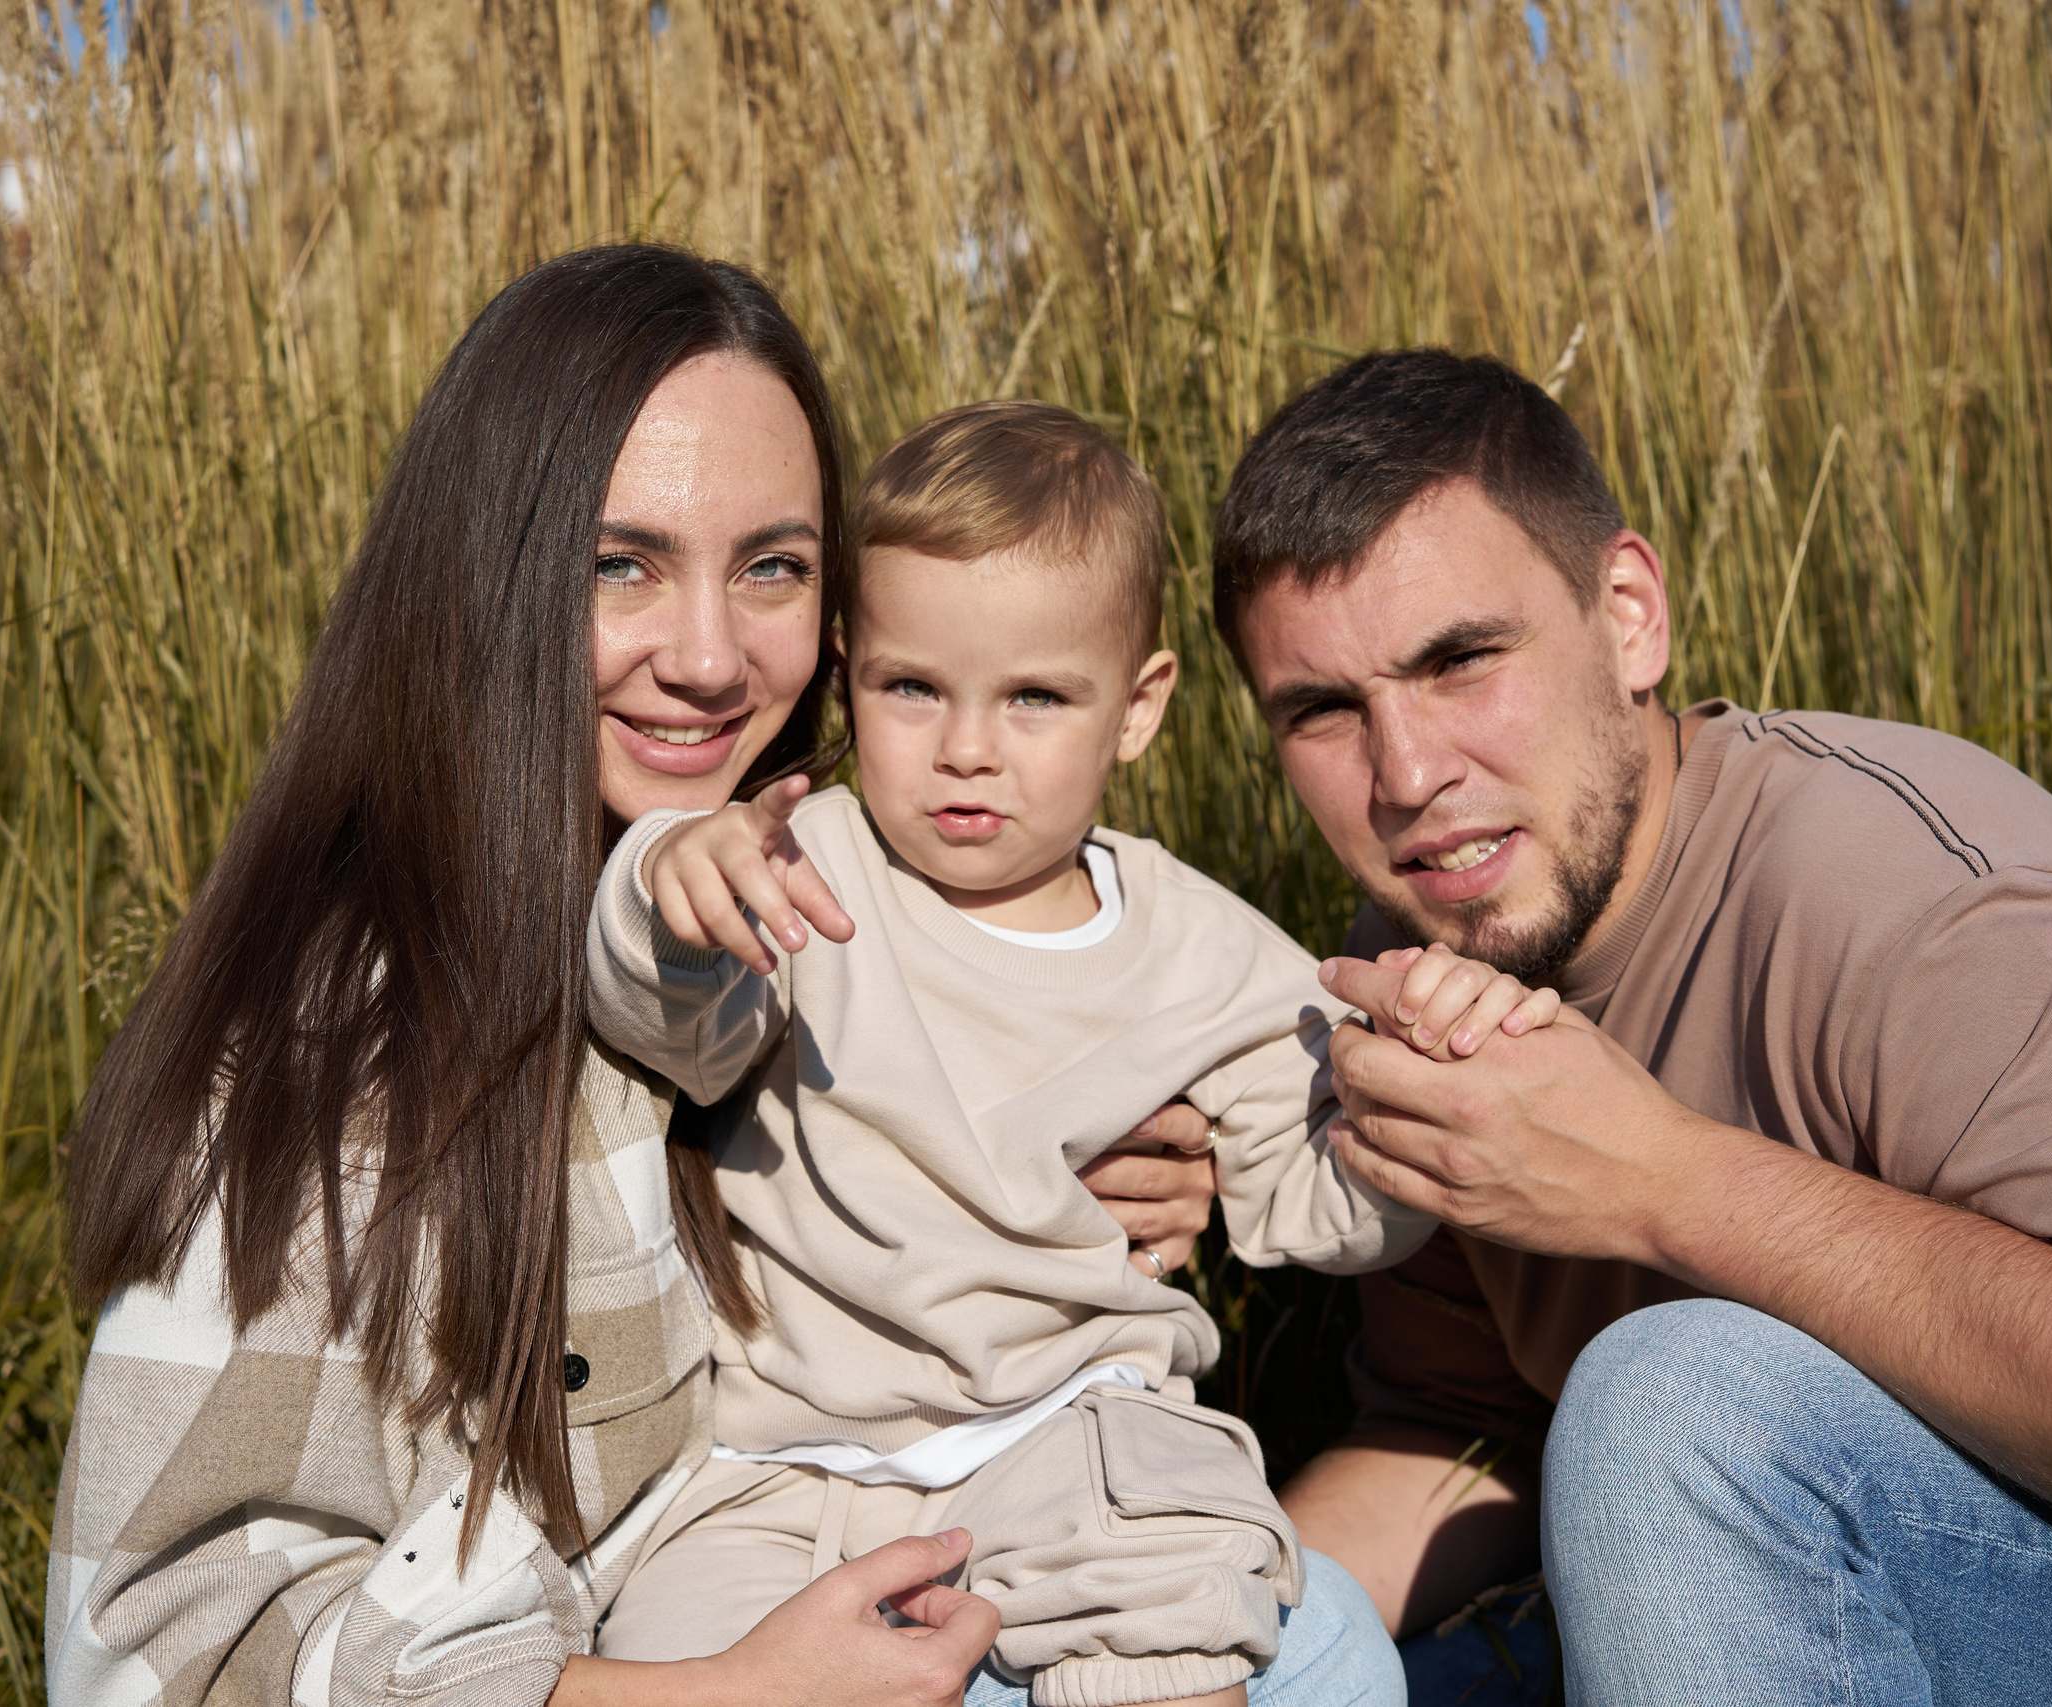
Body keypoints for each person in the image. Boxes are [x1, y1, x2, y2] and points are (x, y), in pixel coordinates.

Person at [43, 247, 1376, 1707]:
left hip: (936, 1542)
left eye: (772, 569)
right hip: (721, 1650)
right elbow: (154, 1655)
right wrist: (726, 1693)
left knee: (1326, 1641)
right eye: (620, 563)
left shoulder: (831, 875)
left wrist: (1112, 1156)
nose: (706, 656)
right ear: (483, 575)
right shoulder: (345, 1038)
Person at [1200, 349, 2052, 1701]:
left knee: (1672, 1402)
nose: (1411, 775)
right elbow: (1464, 1438)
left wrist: (1667, 1185)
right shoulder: (1408, 971)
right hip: (1735, 1607)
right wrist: (1170, 1615)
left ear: (1628, 618)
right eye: (1323, 712)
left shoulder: (1908, 898)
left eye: (1463, 661)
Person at [584, 402, 1543, 1706]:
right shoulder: (806, 869)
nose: (968, 748)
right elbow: (667, 1023)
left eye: (1036, 696)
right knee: (676, 1650)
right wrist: (672, 880)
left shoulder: (1209, 951)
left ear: (1138, 708)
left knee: (1178, 1584)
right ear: (853, 671)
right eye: (914, 689)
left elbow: (1311, 1207)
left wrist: (1413, 1100)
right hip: (776, 1459)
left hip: (1072, 1422)